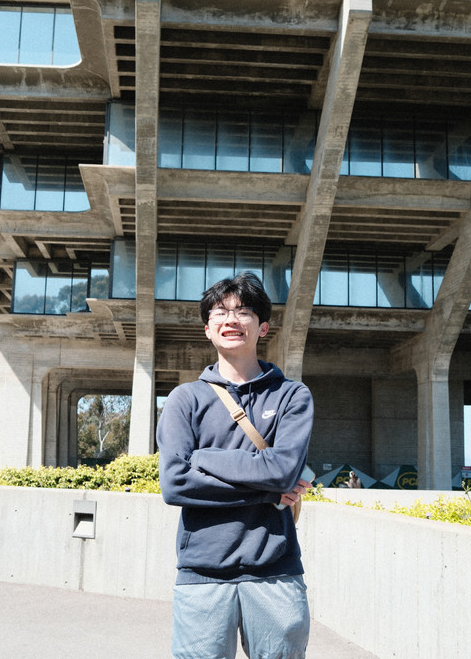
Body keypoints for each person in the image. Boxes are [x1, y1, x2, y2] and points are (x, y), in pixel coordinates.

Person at [157, 271, 314, 659]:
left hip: (275, 571)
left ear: (263, 327)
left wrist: (204, 458)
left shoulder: (292, 395)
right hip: (202, 574)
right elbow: (175, 484)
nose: (231, 319)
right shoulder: (184, 399)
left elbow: (282, 470)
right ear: (207, 329)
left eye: (243, 311)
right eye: (219, 312)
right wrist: (267, 492)